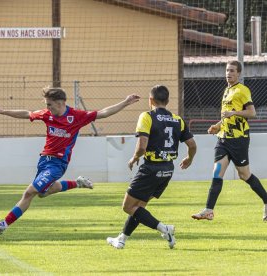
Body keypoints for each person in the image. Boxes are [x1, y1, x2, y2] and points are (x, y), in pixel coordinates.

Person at [0, 86, 140, 235]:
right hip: (43, 161)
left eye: (49, 104)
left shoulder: (76, 116)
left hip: (57, 164)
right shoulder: (47, 114)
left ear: (60, 103)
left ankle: (4, 224)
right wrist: (3, 111)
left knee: (29, 192)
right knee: (42, 193)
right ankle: (78, 183)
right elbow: (27, 113)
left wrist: (125, 102)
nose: (47, 107)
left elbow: (103, 113)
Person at [106, 85, 196, 249]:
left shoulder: (147, 116)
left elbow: (142, 147)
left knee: (128, 207)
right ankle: (121, 239)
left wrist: (134, 158)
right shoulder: (178, 120)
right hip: (168, 169)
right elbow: (192, 144)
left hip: (151, 168)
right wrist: (189, 158)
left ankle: (165, 229)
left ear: (150, 100)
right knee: (139, 208)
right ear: (167, 101)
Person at [192, 60, 267, 222]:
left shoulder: (242, 90)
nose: (229, 73)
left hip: (239, 140)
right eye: (227, 70)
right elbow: (226, 116)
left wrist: (234, 114)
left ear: (238, 73)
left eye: (232, 71)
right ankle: (208, 210)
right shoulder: (226, 91)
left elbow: (251, 112)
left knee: (244, 174)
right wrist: (217, 126)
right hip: (223, 140)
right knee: (217, 172)